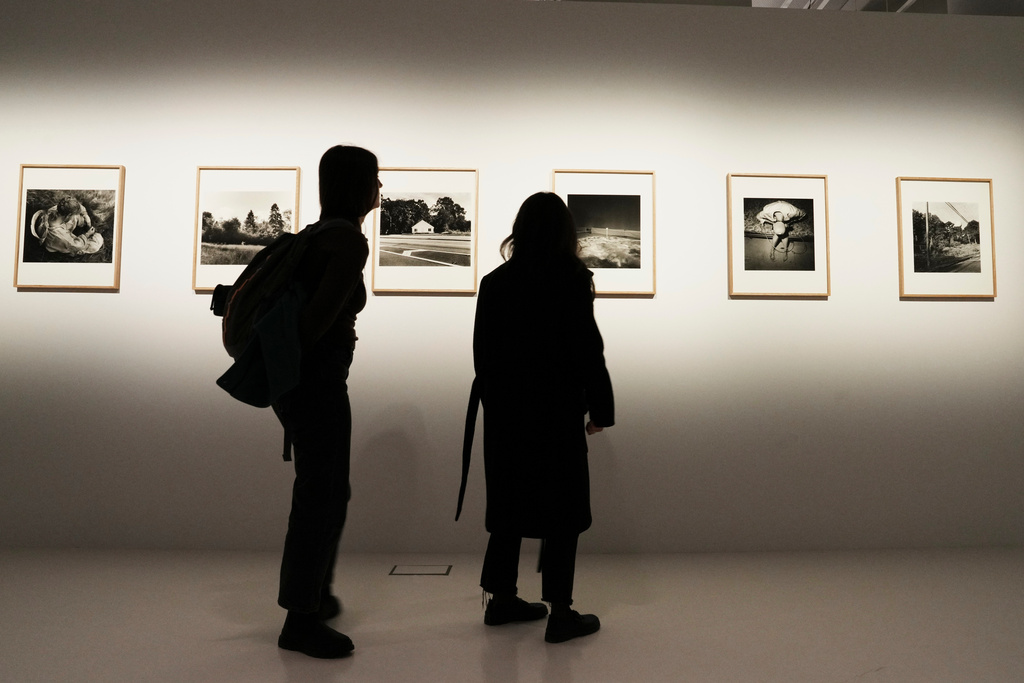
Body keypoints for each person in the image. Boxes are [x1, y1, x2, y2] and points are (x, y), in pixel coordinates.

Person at [464, 192, 614, 643]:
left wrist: (499, 403)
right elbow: (587, 350)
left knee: (507, 506)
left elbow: (482, 355)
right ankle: (560, 612)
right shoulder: (571, 279)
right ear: (565, 233)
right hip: (555, 412)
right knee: (563, 509)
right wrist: (600, 409)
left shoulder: (495, 282)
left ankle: (500, 600)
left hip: (507, 414)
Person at [271, 145, 380, 659]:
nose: (380, 189)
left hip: (297, 383)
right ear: (359, 186)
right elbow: (316, 323)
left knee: (328, 490)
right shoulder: (349, 242)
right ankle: (300, 619)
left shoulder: (318, 234)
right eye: (376, 179)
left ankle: (315, 596)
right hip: (318, 383)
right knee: (321, 496)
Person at [31, 196, 103, 256]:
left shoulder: (58, 208)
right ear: (69, 215)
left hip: (60, 227)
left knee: (77, 217)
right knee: (88, 246)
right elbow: (76, 245)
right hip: (56, 241)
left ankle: (83, 225)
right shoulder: (59, 235)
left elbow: (78, 207)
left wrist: (86, 216)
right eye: (73, 214)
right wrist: (86, 235)